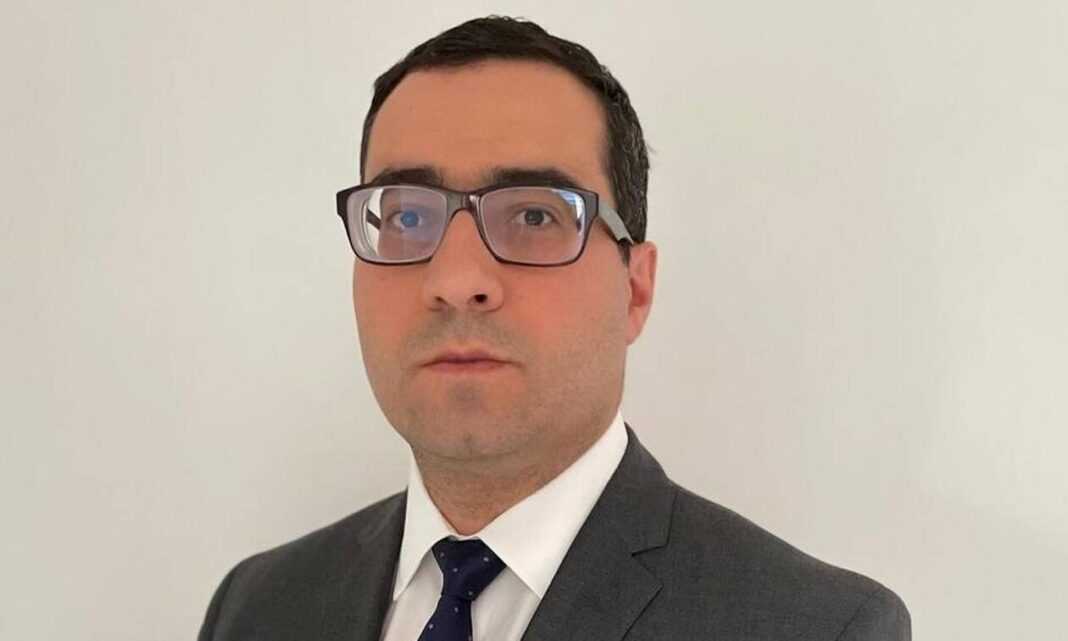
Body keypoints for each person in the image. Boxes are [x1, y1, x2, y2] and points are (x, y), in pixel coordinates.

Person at [198, 15, 910, 641]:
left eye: (535, 215)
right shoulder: (257, 606)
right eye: (409, 215)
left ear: (635, 288)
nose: (457, 279)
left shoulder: (816, 625)